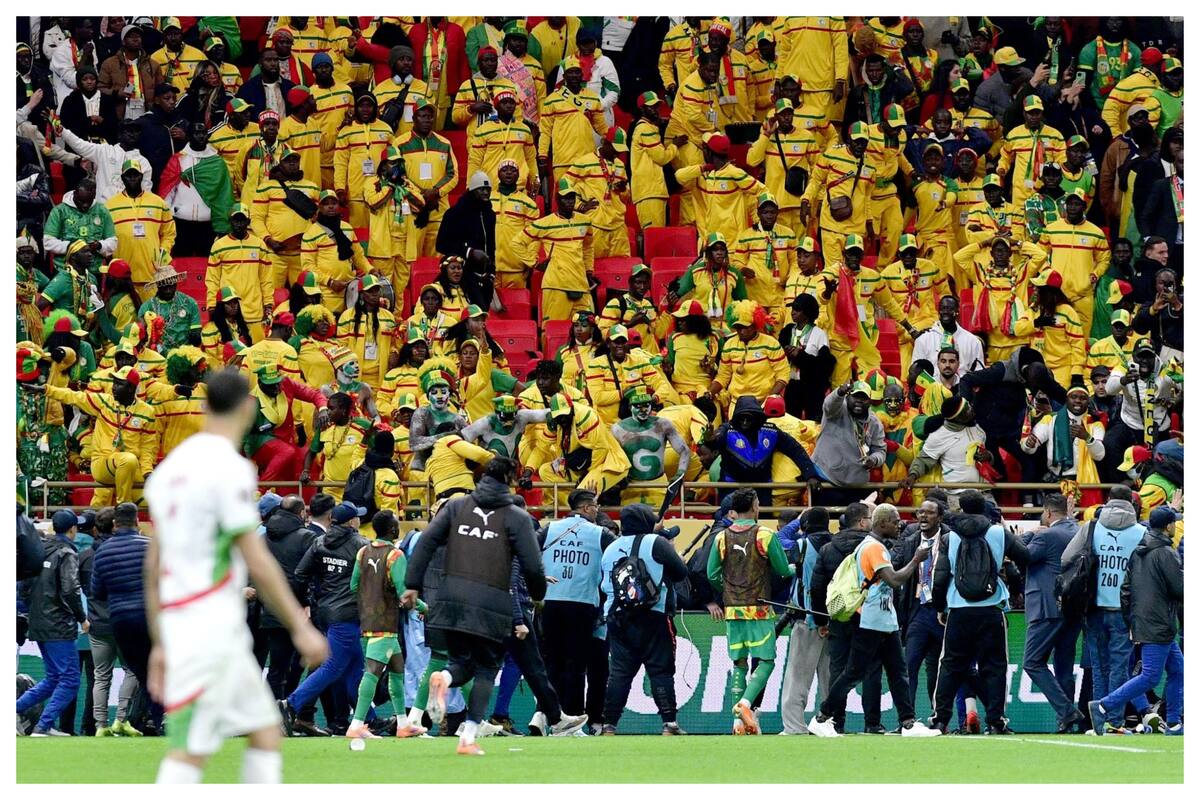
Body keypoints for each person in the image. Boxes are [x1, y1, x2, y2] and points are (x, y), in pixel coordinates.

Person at [144, 368, 329, 783]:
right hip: (208, 621)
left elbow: (154, 561)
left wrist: (159, 640)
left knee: (264, 731)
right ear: (249, 407)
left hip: (185, 619)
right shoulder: (228, 469)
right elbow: (256, 558)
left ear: (205, 406)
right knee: (189, 752)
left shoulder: (173, 468)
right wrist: (299, 629)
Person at [404, 457, 547, 756]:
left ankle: (443, 679)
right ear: (510, 479)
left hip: (449, 599)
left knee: (460, 664)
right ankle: (468, 738)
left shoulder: (457, 507)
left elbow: (427, 541)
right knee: (485, 670)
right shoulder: (516, 518)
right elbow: (533, 566)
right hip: (491, 603)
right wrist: (537, 594)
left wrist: (412, 584)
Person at [808, 504, 940, 738]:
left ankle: (908, 723)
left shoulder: (875, 546)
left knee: (898, 672)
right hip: (869, 620)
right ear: (882, 523)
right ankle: (821, 717)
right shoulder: (873, 548)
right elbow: (894, 580)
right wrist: (917, 559)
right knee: (853, 673)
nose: (900, 524)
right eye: (895, 520)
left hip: (884, 620)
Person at [930, 489, 1030, 735]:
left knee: (951, 665)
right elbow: (1025, 557)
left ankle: (940, 719)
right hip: (991, 607)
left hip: (959, 608)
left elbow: (940, 577)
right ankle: (996, 721)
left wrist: (940, 606)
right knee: (994, 666)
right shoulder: (998, 532)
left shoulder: (948, 536)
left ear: (961, 507)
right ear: (984, 506)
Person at [1088, 506, 1183, 737]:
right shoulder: (1166, 553)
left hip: (1148, 622)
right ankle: (1102, 706)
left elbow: (1126, 589)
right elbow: (1180, 589)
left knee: (1179, 670)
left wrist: (1132, 619)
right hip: (1159, 624)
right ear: (1169, 526)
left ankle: (1173, 723)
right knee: (1150, 676)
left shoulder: (1138, 551)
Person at [706, 488, 794, 735]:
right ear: (755, 506)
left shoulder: (721, 537)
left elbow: (712, 574)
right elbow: (782, 570)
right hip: (759, 608)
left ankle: (737, 724)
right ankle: (745, 705)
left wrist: (729, 590)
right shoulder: (764, 534)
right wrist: (794, 569)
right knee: (766, 660)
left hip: (733, 609)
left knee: (739, 662)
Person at [279, 502, 370, 735]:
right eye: (357, 518)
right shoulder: (360, 545)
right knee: (334, 665)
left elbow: (300, 574)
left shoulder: (320, 543)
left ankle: (367, 719)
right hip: (347, 613)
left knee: (354, 668)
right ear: (352, 522)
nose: (359, 520)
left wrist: (313, 598)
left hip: (325, 612)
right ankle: (291, 704)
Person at [599, 503, 689, 736]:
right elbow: (681, 572)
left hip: (617, 616)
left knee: (620, 673)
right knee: (660, 670)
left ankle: (609, 725)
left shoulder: (611, 547)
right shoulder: (656, 542)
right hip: (654, 614)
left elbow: (605, 585)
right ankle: (669, 724)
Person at [346, 511, 427, 739]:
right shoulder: (395, 555)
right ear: (393, 530)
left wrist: (371, 597)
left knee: (397, 669)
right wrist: (424, 608)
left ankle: (402, 723)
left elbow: (354, 586)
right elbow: (405, 595)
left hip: (369, 617)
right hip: (386, 620)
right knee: (372, 672)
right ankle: (357, 724)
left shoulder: (363, 552)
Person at [538, 489, 613, 720]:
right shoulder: (600, 533)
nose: (597, 510)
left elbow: (529, 552)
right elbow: (621, 552)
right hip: (582, 603)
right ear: (588, 508)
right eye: (596, 507)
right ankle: (572, 716)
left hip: (549, 601)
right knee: (576, 664)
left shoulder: (549, 529)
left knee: (551, 662)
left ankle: (545, 714)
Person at [16, 509, 89, 737]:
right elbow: (70, 589)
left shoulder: (39, 550)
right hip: (58, 624)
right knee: (69, 679)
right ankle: (44, 725)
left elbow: (24, 587)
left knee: (53, 678)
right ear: (72, 529)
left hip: (37, 622)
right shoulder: (67, 552)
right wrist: (81, 618)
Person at [88, 501, 159, 733]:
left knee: (138, 671)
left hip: (119, 620)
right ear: (138, 521)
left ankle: (102, 724)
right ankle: (161, 718)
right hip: (150, 617)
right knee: (151, 670)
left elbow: (97, 591)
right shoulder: (151, 547)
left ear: (115, 524)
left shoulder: (103, 551)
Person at [1021, 494, 1087, 733]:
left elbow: (1023, 555)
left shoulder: (1046, 535)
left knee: (1032, 661)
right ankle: (1067, 720)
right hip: (1073, 608)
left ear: (1048, 513)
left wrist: (1028, 535)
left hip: (1047, 606)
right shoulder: (1078, 531)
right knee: (1064, 665)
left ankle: (1067, 712)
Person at [260, 495, 314, 707]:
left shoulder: (263, 538)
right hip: (298, 610)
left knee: (276, 666)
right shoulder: (306, 537)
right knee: (300, 664)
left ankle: (272, 712)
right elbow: (307, 575)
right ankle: (290, 709)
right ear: (301, 513)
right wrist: (306, 602)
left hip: (271, 608)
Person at [107, 159, 177, 301]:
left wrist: (162, 253)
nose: (132, 178)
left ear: (142, 176)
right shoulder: (109, 206)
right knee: (125, 321)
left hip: (151, 275)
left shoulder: (158, 203)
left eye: (136, 175)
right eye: (128, 175)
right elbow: (106, 237)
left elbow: (169, 233)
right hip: (123, 277)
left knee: (152, 319)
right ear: (122, 178)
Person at [812, 381, 886, 507]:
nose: (859, 401)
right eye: (855, 396)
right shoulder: (836, 411)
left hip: (855, 485)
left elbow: (880, 450)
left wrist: (873, 460)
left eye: (864, 398)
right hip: (827, 479)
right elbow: (829, 405)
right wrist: (839, 393)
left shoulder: (874, 423)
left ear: (870, 401)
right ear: (847, 397)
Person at [436, 172, 497, 309]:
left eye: (488, 189)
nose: (485, 192)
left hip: (485, 278)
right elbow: (441, 244)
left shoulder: (490, 215)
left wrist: (492, 273)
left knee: (482, 318)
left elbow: (491, 247)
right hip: (463, 275)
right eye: (481, 189)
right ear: (472, 190)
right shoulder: (454, 214)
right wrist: (470, 252)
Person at [779, 293, 835, 421]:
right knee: (791, 422)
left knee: (813, 422)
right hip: (792, 385)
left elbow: (824, 367)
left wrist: (800, 356)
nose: (792, 312)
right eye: (792, 309)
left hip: (812, 388)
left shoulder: (819, 334)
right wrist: (786, 352)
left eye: (797, 309)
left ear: (807, 312)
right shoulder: (787, 331)